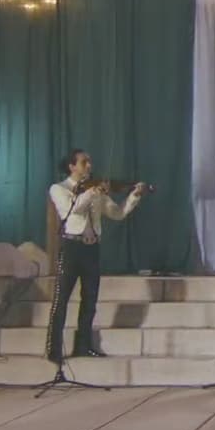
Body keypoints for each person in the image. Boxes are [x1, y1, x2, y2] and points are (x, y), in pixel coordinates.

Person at [45, 149, 146, 362]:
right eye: (84, 162)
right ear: (72, 166)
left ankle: (83, 346)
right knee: (61, 299)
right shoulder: (59, 189)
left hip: (92, 249)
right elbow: (73, 210)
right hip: (72, 247)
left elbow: (117, 213)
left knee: (89, 300)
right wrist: (93, 192)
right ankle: (53, 348)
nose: (89, 166)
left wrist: (133, 196)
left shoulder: (96, 191)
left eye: (89, 162)